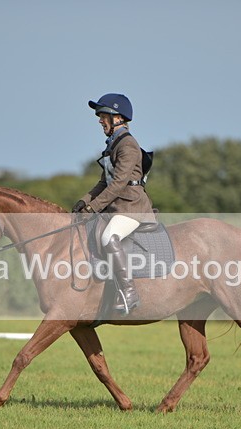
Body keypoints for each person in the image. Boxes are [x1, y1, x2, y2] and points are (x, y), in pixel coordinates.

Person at [72, 93, 156, 314]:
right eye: (100, 116)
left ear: (117, 117)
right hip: (117, 207)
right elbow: (104, 182)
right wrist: (84, 201)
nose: (100, 120)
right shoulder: (113, 145)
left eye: (103, 116)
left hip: (131, 207)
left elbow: (118, 184)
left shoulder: (127, 145)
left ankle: (129, 292)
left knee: (109, 237)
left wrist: (94, 208)